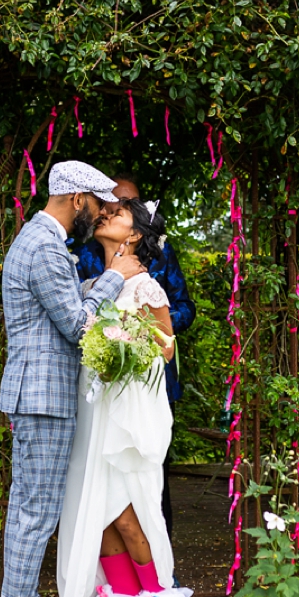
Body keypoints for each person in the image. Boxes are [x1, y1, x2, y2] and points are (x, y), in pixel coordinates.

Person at [0, 160, 147, 597]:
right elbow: (77, 327)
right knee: (32, 513)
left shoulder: (41, 241)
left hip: (42, 397)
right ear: (77, 199)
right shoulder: (41, 245)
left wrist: (92, 286)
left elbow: (56, 307)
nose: (103, 210)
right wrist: (113, 276)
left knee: (33, 511)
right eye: (99, 203)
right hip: (42, 398)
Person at [57, 197, 192, 597]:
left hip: (128, 413)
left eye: (119, 214)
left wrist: (129, 345)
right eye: (107, 211)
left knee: (129, 515)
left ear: (134, 235)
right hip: (93, 410)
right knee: (100, 517)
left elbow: (167, 348)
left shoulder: (147, 287)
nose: (107, 215)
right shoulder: (96, 282)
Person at [73, 175, 196, 539]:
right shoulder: (84, 256)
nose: (114, 210)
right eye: (112, 203)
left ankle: (158, 564)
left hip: (148, 381)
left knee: (150, 480)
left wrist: (142, 329)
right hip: (100, 386)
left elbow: (183, 309)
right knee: (101, 480)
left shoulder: (160, 254)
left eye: (126, 206)